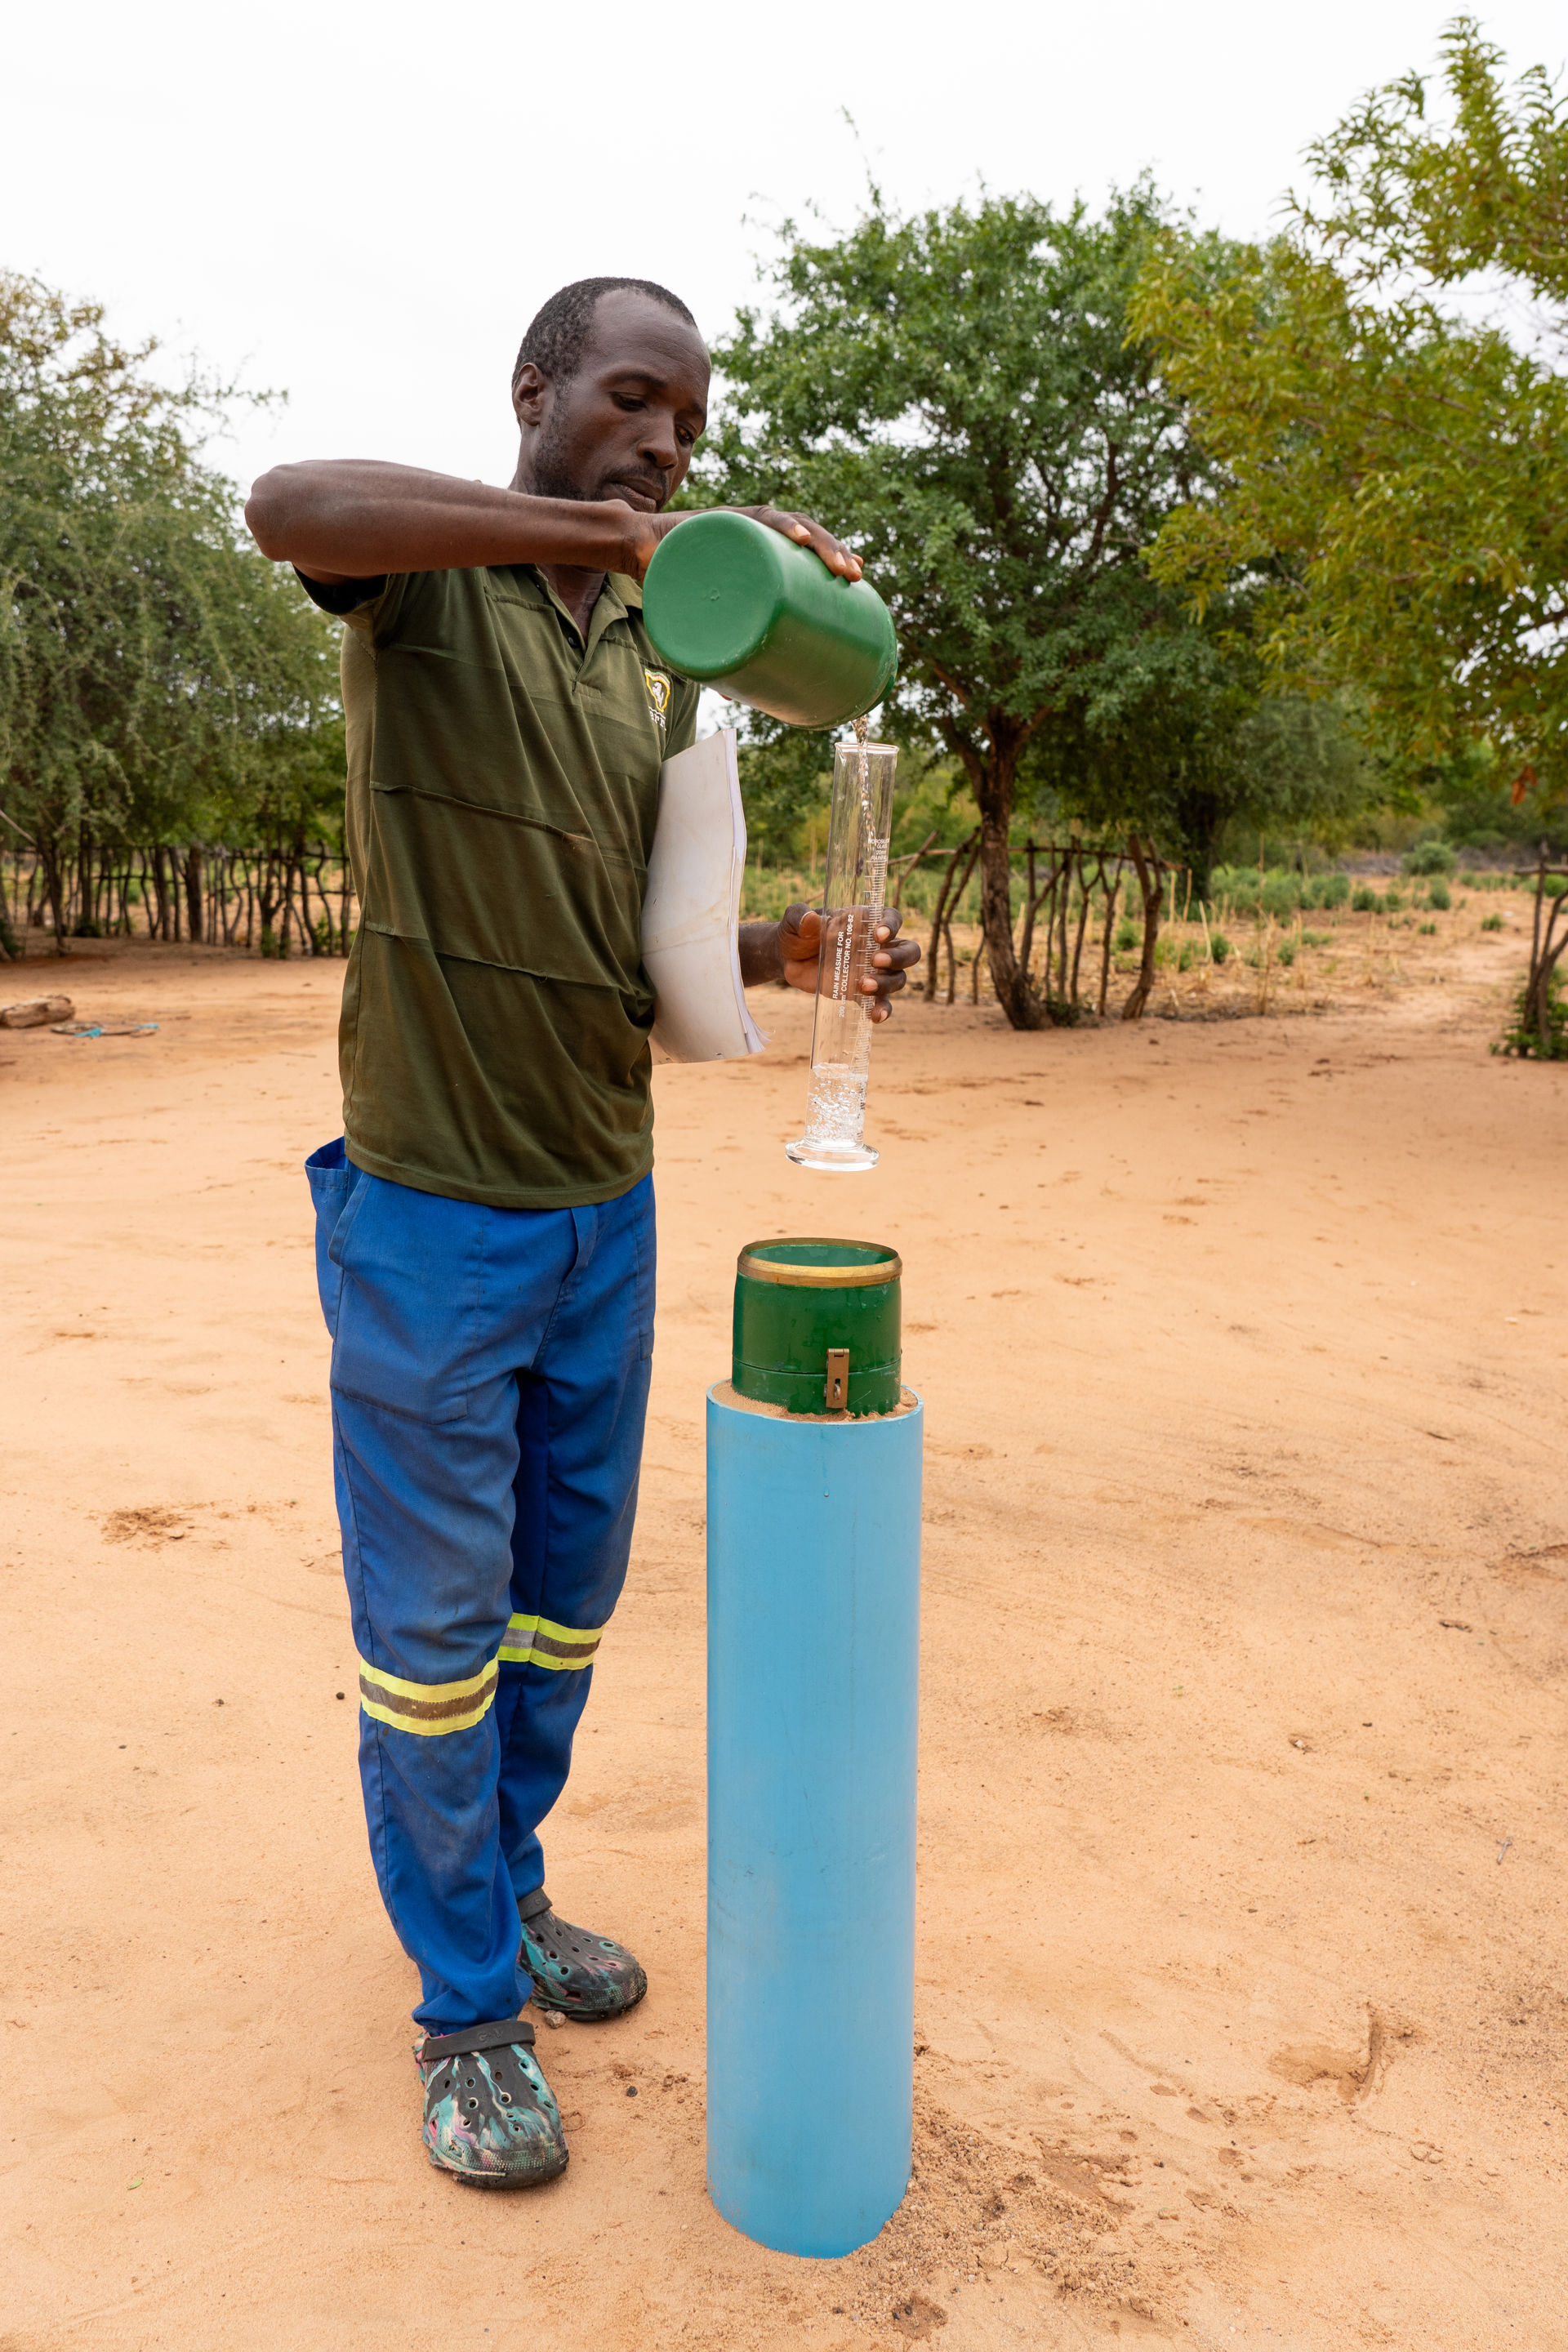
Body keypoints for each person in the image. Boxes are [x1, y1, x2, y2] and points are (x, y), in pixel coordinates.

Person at [244, 276, 919, 2188]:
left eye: (691, 429)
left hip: (599, 1219)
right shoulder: (426, 580)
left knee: (560, 1606)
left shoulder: (652, 658)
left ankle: (512, 1890)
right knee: (435, 1636)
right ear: (537, 392)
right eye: (634, 400)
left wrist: (802, 953)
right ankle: (466, 2013)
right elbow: (289, 500)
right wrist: (608, 530)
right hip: (432, 1222)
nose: (666, 446)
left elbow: (651, 943)